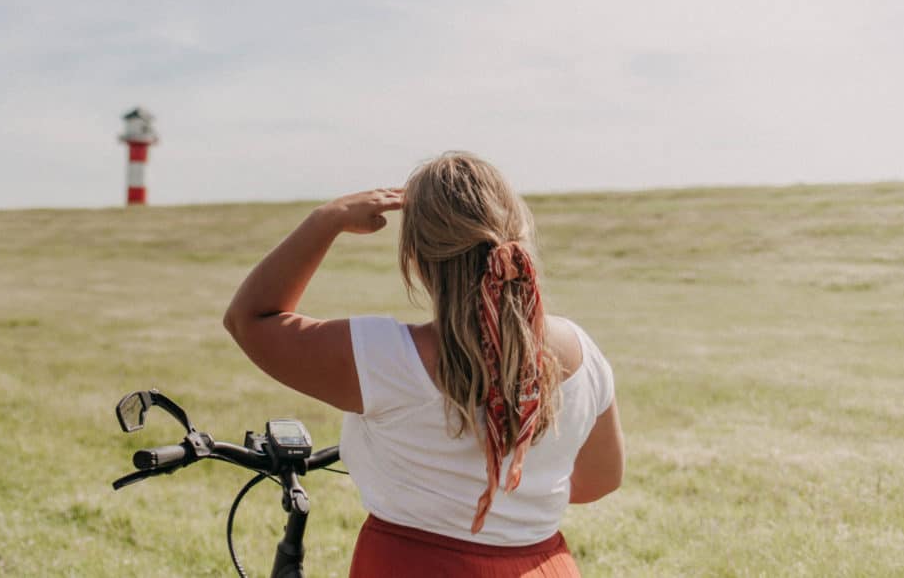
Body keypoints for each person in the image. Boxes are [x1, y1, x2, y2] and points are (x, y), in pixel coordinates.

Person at [224, 152, 623, 577]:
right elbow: (602, 479)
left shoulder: (383, 357)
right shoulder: (581, 350)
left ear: (415, 259)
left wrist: (328, 219)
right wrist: (514, 509)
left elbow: (250, 318)